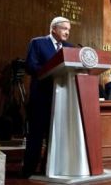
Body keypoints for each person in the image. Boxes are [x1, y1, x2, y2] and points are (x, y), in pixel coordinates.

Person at [22, 16, 73, 177]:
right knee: (36, 136)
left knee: (55, 137)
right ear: (54, 29)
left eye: (69, 30)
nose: (67, 32)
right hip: (41, 98)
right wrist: (51, 72)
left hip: (62, 99)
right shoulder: (38, 43)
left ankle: (49, 169)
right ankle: (28, 170)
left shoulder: (70, 48)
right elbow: (31, 66)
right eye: (64, 28)